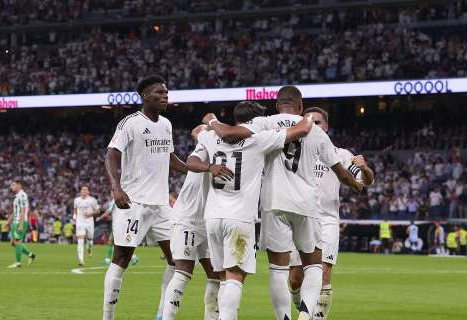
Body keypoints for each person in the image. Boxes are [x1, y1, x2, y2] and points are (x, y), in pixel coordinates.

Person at [203, 86, 363, 320]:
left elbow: (230, 134)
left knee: (278, 269)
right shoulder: (316, 131)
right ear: (300, 106)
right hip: (306, 203)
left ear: (277, 106)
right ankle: (306, 317)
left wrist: (212, 121)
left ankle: (284, 318)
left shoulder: (263, 123)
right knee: (313, 264)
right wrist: (357, 186)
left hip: (273, 202)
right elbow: (340, 171)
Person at [188, 100, 315, 320]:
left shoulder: (211, 137)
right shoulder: (260, 140)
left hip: (213, 217)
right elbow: (303, 129)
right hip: (239, 219)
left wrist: (211, 126)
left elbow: (193, 146)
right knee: (235, 277)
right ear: (255, 121)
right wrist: (310, 115)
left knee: (224, 278)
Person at [102, 76, 190, 320]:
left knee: (177, 258)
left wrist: (202, 168)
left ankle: (162, 314)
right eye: (159, 93)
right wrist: (115, 187)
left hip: (161, 205)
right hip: (134, 202)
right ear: (145, 96)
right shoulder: (130, 123)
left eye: (166, 93)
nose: (165, 97)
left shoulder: (166, 124)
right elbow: (111, 153)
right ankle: (107, 317)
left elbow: (172, 160)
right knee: (122, 258)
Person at [286, 107, 374, 320]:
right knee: (295, 280)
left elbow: (366, 183)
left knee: (324, 273)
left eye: (318, 122)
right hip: (300, 219)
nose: (314, 126)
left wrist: (364, 168)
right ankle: (304, 309)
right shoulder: (294, 151)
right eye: (310, 122)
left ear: (326, 126)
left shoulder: (340, 154)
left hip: (327, 220)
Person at [162, 124, 233, 320]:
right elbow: (197, 133)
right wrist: (211, 167)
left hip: (209, 220)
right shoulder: (206, 145)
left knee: (215, 272)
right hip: (187, 218)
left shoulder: (233, 149)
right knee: (184, 270)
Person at [96, 195, 139, 266]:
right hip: (123, 224)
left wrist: (99, 218)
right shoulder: (125, 199)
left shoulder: (115, 200)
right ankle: (133, 257)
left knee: (112, 241)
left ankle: (108, 260)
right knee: (121, 243)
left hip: (118, 225)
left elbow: (108, 212)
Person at [7, 181, 36, 268]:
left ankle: (18, 263)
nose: (11, 186)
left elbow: (23, 211)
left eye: (13, 185)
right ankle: (31, 255)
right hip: (16, 221)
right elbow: (16, 210)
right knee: (13, 243)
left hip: (20, 221)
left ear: (19, 185)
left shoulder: (22, 195)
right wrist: (9, 221)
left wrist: (21, 224)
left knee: (17, 241)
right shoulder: (17, 196)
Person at [73, 185, 100, 266]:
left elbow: (98, 211)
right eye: (82, 189)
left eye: (86, 190)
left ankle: (89, 247)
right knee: (80, 241)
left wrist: (90, 213)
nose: (84, 191)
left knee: (90, 238)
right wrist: (74, 216)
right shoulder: (76, 200)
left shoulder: (92, 200)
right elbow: (75, 209)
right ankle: (81, 260)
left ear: (88, 191)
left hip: (89, 222)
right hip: (80, 222)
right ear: (80, 191)